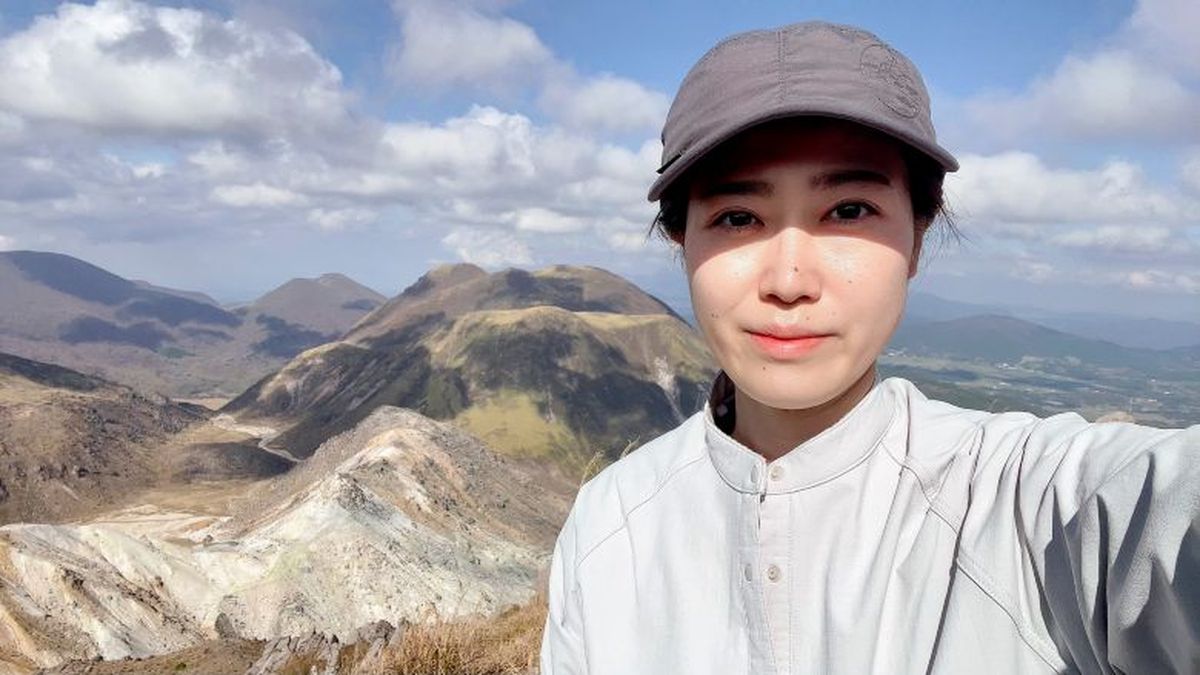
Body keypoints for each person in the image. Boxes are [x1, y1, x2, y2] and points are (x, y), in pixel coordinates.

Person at [540, 20, 1199, 675]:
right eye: (737, 217)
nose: (789, 281)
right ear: (682, 241)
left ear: (917, 236)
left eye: (849, 210)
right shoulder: (608, 525)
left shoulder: (1026, 507)